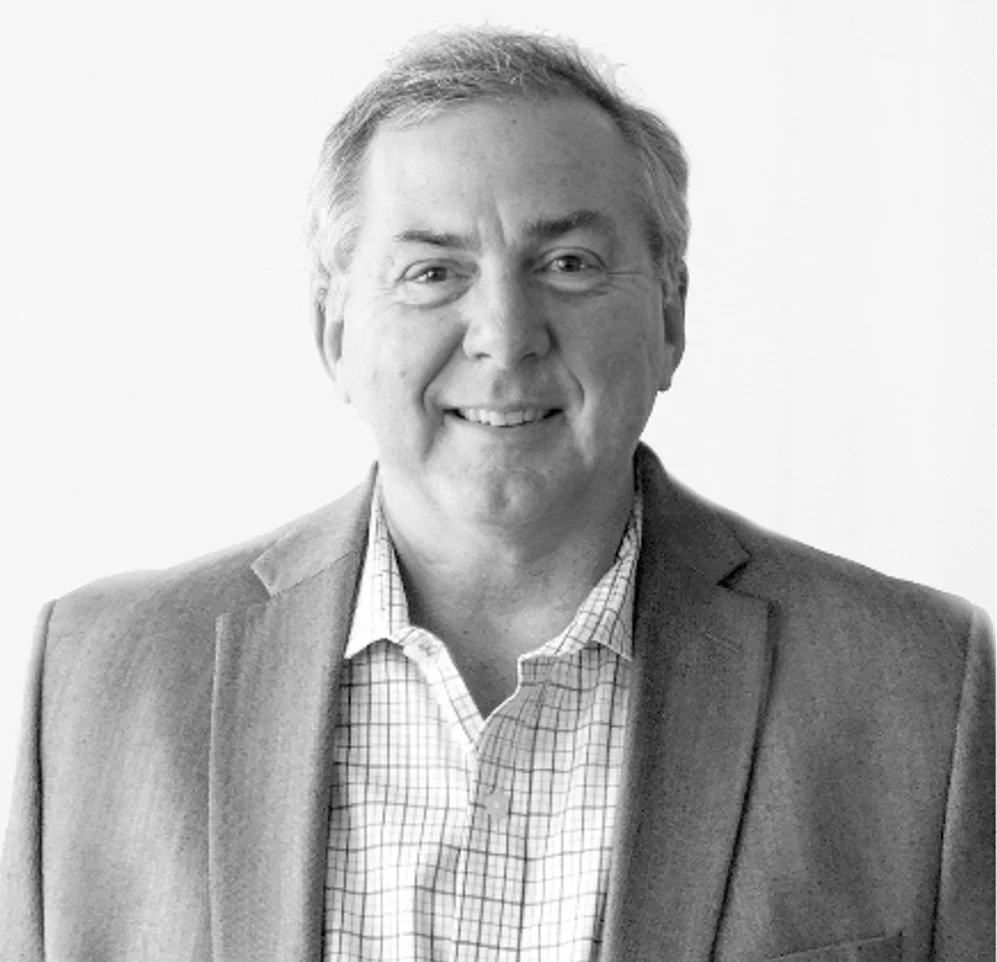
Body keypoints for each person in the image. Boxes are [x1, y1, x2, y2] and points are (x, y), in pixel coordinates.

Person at [1, 27, 992, 962]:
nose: (504, 333)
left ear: (671, 315)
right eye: (432, 271)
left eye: (567, 263)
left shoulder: (916, 688)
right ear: (334, 332)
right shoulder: (100, 682)